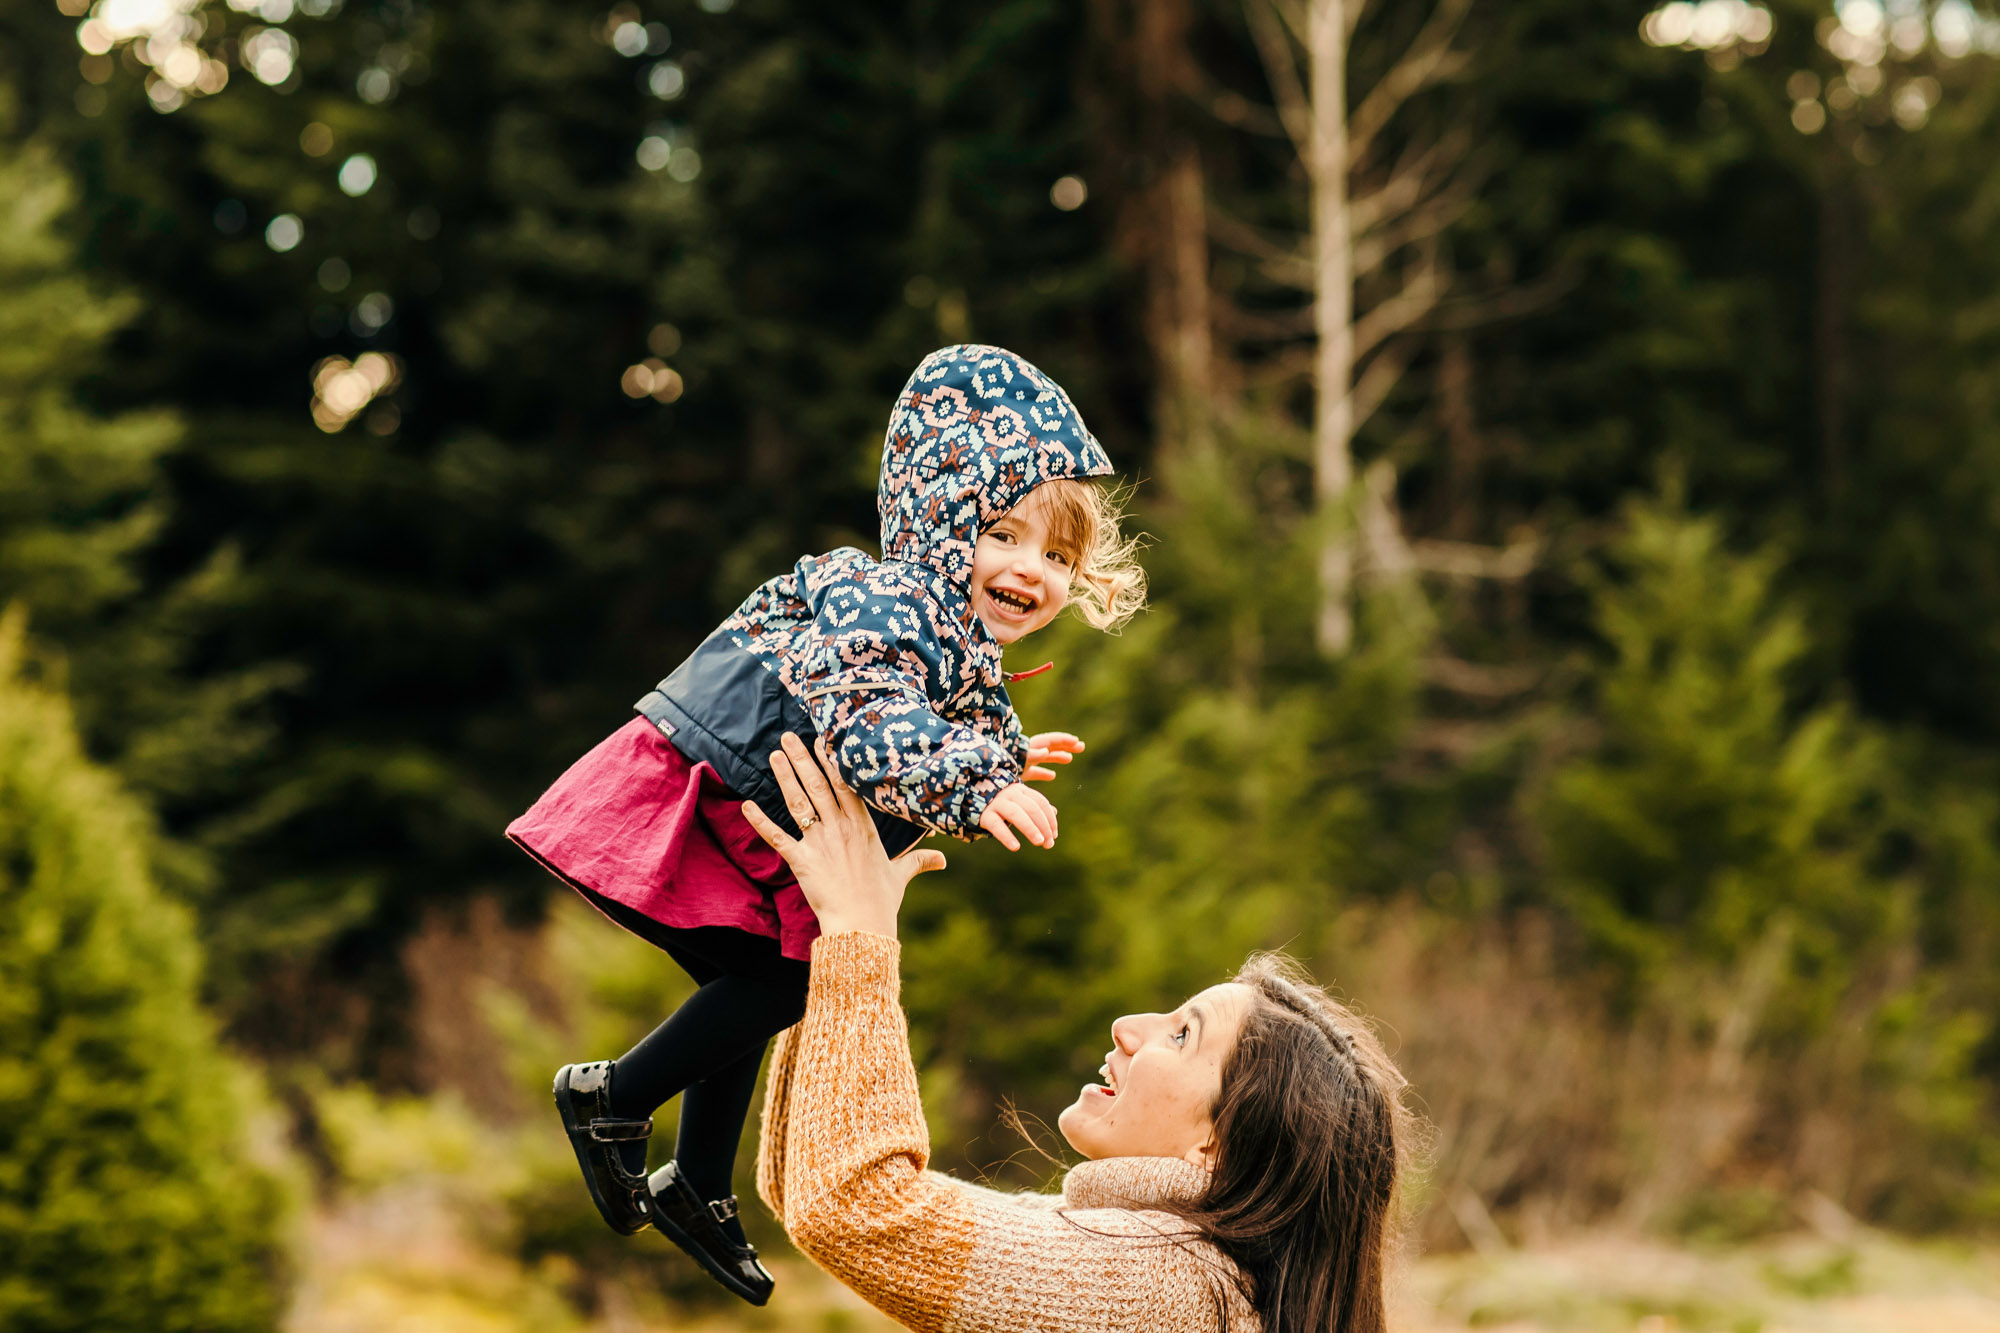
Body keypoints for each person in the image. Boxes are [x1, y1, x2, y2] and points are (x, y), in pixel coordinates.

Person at [504, 345, 1147, 1303]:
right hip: (724, 780)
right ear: (938, 518)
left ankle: (698, 1182)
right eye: (1004, 535)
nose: (1031, 570)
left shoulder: (962, 653)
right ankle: (612, 1097)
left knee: (767, 974)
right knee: (782, 974)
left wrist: (997, 765)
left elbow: (937, 738)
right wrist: (975, 781)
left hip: (765, 808)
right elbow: (870, 720)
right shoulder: (886, 597)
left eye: (1057, 556)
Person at [740, 733, 1417, 1333]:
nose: (1128, 1028)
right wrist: (826, 931)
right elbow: (806, 1189)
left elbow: (854, 1208)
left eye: (1183, 1035)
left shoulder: (1172, 1285)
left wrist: (860, 936)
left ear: (1217, 1142)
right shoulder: (1194, 1273)